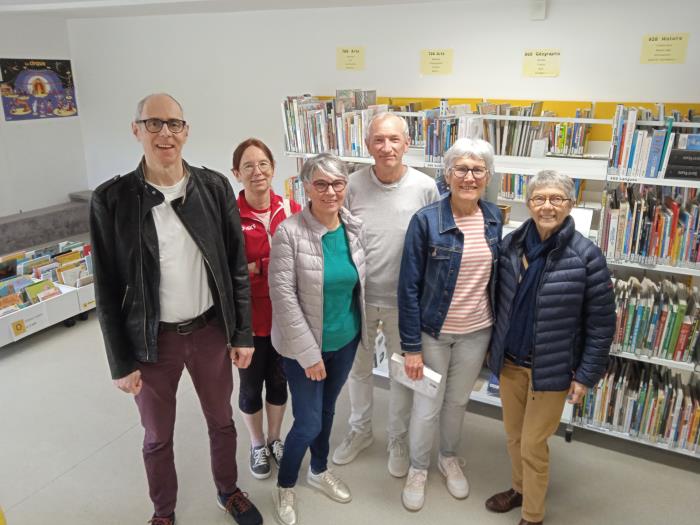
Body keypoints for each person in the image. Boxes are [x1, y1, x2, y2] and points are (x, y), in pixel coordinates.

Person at [90, 93, 262, 525]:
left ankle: (229, 491)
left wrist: (241, 333)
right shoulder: (111, 199)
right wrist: (120, 361)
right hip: (150, 342)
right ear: (136, 130)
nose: (164, 133)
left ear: (186, 131)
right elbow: (106, 288)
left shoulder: (213, 187)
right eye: (153, 123)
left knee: (221, 421)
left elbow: (236, 267)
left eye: (174, 124)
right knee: (156, 436)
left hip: (208, 332)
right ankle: (163, 511)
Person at [485, 170, 615, 525]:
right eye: (539, 198)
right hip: (510, 363)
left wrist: (585, 376)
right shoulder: (511, 245)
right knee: (514, 436)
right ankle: (519, 488)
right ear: (528, 203)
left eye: (556, 198)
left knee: (532, 443)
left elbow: (601, 324)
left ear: (570, 204)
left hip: (551, 369)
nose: (547, 206)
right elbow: (498, 301)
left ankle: (533, 515)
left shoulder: (587, 256)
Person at [397, 138, 502, 510]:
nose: (469, 177)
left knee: (457, 402)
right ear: (447, 174)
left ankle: (448, 457)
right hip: (433, 333)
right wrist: (411, 347)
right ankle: (418, 467)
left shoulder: (494, 218)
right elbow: (408, 287)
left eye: (477, 170)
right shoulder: (426, 221)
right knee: (427, 403)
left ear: (487, 176)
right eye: (461, 169)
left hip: (477, 331)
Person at [333, 112, 440, 477]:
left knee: (402, 375)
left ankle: (397, 438)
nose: (386, 146)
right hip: (359, 298)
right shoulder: (350, 185)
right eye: (378, 139)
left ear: (407, 143)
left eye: (394, 139)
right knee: (359, 370)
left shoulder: (426, 188)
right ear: (367, 145)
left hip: (404, 303)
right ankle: (360, 430)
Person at [268, 153, 368, 525]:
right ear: (306, 187)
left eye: (337, 183)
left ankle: (319, 469)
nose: (330, 192)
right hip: (303, 350)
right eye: (321, 184)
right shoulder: (289, 232)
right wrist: (309, 355)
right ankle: (285, 484)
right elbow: (283, 299)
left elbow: (358, 285)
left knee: (327, 412)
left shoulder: (353, 226)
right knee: (308, 422)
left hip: (345, 340)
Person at [232, 138, 301, 480]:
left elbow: (304, 258)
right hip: (248, 322)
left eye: (263, 164)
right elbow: (226, 270)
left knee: (278, 382)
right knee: (249, 388)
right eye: (248, 166)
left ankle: (275, 438)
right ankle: (257, 443)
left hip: (285, 318)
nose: (257, 171)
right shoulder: (229, 217)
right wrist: (263, 266)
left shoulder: (291, 209)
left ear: (273, 168)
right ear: (236, 173)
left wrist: (258, 266)